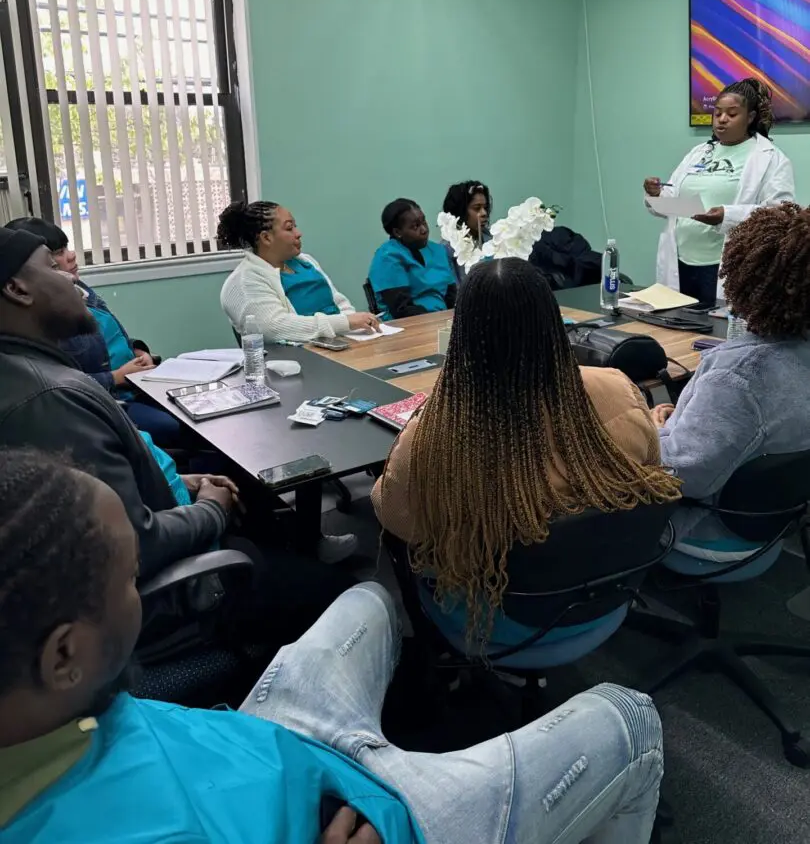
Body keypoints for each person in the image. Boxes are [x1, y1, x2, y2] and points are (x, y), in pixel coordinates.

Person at [0, 448, 666, 844]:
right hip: (378, 812)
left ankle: (404, 721)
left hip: (263, 749)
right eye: (126, 579)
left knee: (368, 599)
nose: (138, 592)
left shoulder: (55, 712)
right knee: (631, 718)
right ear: (63, 656)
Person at [0, 227, 354, 641]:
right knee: (351, 596)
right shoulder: (52, 397)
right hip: (179, 598)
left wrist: (184, 481)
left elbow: (97, 489)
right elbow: (133, 544)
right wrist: (212, 509)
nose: (71, 276)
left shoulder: (30, 376)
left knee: (268, 536)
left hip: (172, 530)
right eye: (52, 265)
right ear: (17, 289)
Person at [373, 258, 680, 646]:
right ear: (553, 323)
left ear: (462, 334)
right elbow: (650, 463)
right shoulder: (618, 388)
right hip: (607, 594)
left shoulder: (432, 438)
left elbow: (396, 518)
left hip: (504, 617)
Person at [652, 203, 810, 561]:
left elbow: (681, 474)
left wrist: (651, 430)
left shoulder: (738, 374)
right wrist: (693, 417)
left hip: (709, 525)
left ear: (742, 274)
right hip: (775, 518)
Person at [4, 216, 181, 449]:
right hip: (116, 399)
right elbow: (66, 381)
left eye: (66, 247)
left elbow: (111, 334)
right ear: (18, 288)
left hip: (139, 385)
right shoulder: (49, 321)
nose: (70, 256)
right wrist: (117, 377)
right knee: (176, 425)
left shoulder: (82, 290)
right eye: (55, 259)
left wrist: (137, 349)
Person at [643, 78, 794, 306]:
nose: (722, 120)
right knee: (678, 332)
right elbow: (673, 202)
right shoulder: (698, 153)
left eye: (732, 114)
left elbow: (780, 215)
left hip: (724, 267)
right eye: (717, 113)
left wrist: (727, 215)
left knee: (716, 335)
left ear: (750, 118)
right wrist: (656, 195)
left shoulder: (770, 157)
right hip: (681, 263)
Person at [218, 200, 379, 343]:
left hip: (341, 344)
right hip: (297, 361)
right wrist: (345, 323)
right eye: (289, 228)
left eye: (295, 226)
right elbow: (274, 327)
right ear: (266, 238)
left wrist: (356, 327)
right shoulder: (244, 282)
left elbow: (338, 301)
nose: (298, 233)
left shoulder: (306, 261)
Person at [369, 200, 456, 320]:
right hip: (407, 326)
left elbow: (452, 297)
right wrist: (437, 321)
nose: (424, 229)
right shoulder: (388, 257)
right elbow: (402, 310)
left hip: (444, 320)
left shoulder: (437, 250)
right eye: (415, 226)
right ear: (397, 232)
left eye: (423, 221)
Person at [440, 181, 492, 284]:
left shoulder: (493, 238)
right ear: (459, 211)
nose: (484, 213)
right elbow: (455, 292)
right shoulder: (447, 250)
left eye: (485, 208)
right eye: (477, 208)